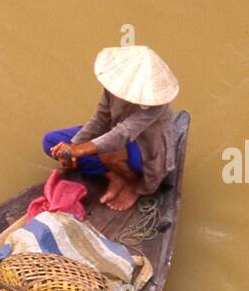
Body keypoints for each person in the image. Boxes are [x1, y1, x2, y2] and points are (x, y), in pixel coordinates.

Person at [42, 46, 179, 211]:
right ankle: (114, 175)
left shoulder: (156, 105)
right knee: (50, 141)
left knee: (108, 152)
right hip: (115, 138)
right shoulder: (112, 90)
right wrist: (73, 145)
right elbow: (100, 118)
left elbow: (123, 133)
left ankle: (132, 183)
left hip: (145, 149)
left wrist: (80, 150)